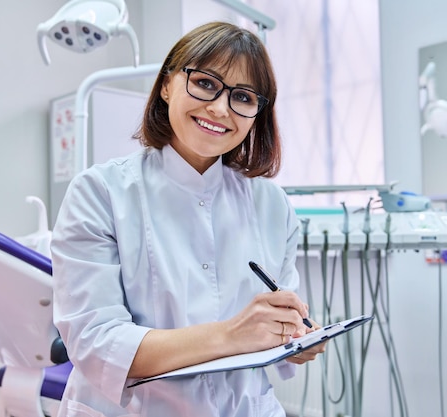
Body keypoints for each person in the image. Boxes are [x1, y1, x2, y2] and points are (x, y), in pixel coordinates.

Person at [51, 21, 326, 417]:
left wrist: (294, 337)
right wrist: (232, 334)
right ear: (166, 85)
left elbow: (275, 337)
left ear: (256, 115)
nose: (220, 108)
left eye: (243, 97)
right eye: (206, 83)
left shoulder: (272, 205)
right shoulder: (100, 193)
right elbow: (96, 343)